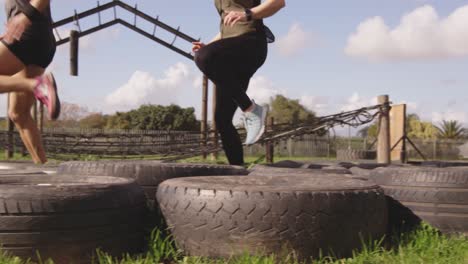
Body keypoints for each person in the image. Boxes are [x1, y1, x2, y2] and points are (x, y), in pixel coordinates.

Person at [193, 0, 285, 166]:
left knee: (203, 58)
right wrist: (210, 46)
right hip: (231, 51)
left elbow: (278, 3)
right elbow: (228, 28)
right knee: (222, 118)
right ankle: (238, 170)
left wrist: (247, 14)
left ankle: (251, 109)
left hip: (250, 43)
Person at [0, 0, 60, 164]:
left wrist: (25, 17)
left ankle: (36, 85)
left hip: (28, 35)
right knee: (18, 113)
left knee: (20, 111)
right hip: (38, 42)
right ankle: (44, 167)